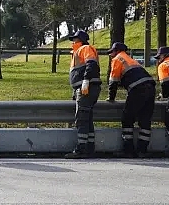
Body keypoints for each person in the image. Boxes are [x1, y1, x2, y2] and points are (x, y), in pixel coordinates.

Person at [105, 42, 156, 158]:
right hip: (150, 87)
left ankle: (128, 150)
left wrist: (111, 98)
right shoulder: (130, 59)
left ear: (116, 51)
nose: (110, 55)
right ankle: (142, 150)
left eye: (111, 52)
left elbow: (113, 81)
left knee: (127, 119)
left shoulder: (117, 59)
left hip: (138, 89)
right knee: (145, 120)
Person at [65, 30, 102, 159]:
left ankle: (81, 149)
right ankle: (89, 147)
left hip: (87, 88)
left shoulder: (85, 48)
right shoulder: (77, 52)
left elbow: (90, 64)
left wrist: (86, 81)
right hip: (84, 88)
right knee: (87, 118)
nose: (73, 42)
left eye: (74, 39)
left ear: (80, 39)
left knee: (81, 118)